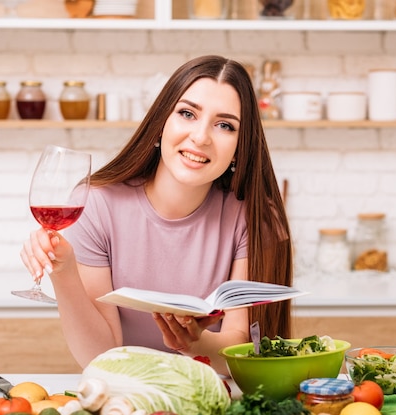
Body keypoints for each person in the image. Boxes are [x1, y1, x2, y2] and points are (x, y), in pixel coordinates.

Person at [20, 55, 293, 375]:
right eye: (187, 113)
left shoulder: (250, 216)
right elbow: (101, 357)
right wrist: (62, 273)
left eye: (224, 125)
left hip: (210, 399)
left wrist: (194, 343)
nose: (201, 137)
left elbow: (241, 348)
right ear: (161, 123)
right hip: (124, 397)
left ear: (239, 146)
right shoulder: (97, 204)